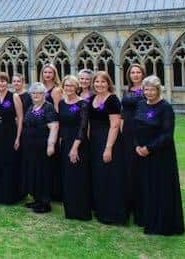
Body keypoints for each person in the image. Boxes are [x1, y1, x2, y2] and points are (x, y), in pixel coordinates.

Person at [134, 76, 185, 235]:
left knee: (160, 187)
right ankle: (146, 218)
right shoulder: (141, 104)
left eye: (152, 89)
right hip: (141, 153)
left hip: (161, 154)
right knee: (145, 186)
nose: (149, 92)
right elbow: (136, 126)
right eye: (146, 89)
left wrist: (149, 148)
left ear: (158, 90)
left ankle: (161, 223)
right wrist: (137, 145)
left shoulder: (165, 108)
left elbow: (167, 135)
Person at [89, 71, 127, 225]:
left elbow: (115, 125)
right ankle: (100, 209)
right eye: (97, 82)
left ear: (108, 83)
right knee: (99, 176)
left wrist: (108, 148)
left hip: (109, 141)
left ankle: (112, 213)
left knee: (110, 176)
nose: (99, 84)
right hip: (95, 142)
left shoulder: (112, 100)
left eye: (102, 82)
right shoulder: (93, 98)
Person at [20, 82, 59, 214]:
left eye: (39, 93)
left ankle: (45, 202)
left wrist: (51, 144)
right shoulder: (31, 107)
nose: (36, 95)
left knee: (43, 173)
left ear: (44, 95)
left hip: (43, 145)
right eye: (34, 93)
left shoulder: (48, 107)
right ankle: (37, 199)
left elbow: (54, 127)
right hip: (30, 146)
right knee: (34, 172)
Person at [58, 76, 91, 220]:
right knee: (67, 176)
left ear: (76, 87)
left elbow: (83, 128)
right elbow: (61, 124)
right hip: (65, 142)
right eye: (66, 85)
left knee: (79, 176)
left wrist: (75, 147)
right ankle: (70, 210)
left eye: (71, 86)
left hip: (78, 143)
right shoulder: (61, 103)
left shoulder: (82, 104)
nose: (69, 88)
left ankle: (81, 211)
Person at [0, 72, 24, 205]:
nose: (0, 84)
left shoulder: (14, 96)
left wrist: (18, 137)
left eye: (3, 81)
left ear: (7, 82)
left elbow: (20, 117)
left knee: (10, 162)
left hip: (10, 132)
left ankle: (10, 195)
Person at [121, 63, 146, 219]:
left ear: (143, 74)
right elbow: (123, 113)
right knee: (129, 167)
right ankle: (130, 202)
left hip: (141, 130)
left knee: (140, 167)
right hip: (128, 132)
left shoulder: (146, 90)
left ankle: (142, 203)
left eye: (138, 72)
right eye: (133, 72)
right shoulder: (128, 90)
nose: (135, 75)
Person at [40, 63, 62, 201]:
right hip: (41, 128)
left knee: (52, 159)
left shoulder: (56, 90)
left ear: (54, 74)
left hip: (52, 127)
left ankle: (55, 192)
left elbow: (57, 110)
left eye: (50, 72)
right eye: (45, 72)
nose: (47, 75)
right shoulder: (41, 88)